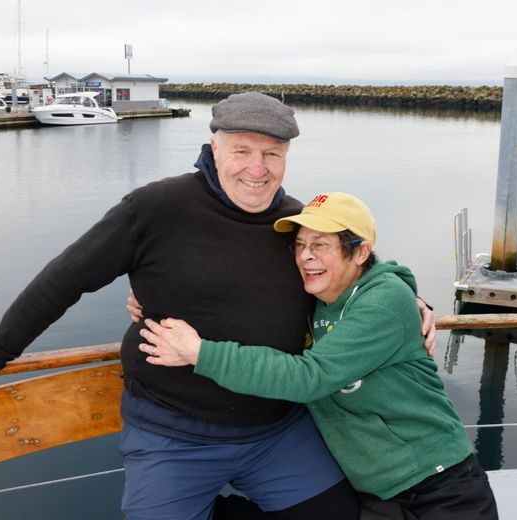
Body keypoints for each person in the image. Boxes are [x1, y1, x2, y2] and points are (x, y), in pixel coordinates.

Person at [0, 92, 435, 520]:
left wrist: (413, 302)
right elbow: (65, 278)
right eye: (242, 151)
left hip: (278, 432)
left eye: (272, 154)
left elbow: (360, 269)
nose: (257, 169)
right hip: (172, 435)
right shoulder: (155, 208)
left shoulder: (296, 222)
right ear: (214, 148)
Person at [139, 192, 498, 520]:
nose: (305, 256)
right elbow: (237, 294)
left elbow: (308, 377)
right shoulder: (315, 295)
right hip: (377, 493)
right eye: (300, 244)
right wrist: (160, 297)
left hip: (440, 486)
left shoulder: (383, 301)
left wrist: (199, 353)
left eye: (321, 244)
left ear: (359, 252)